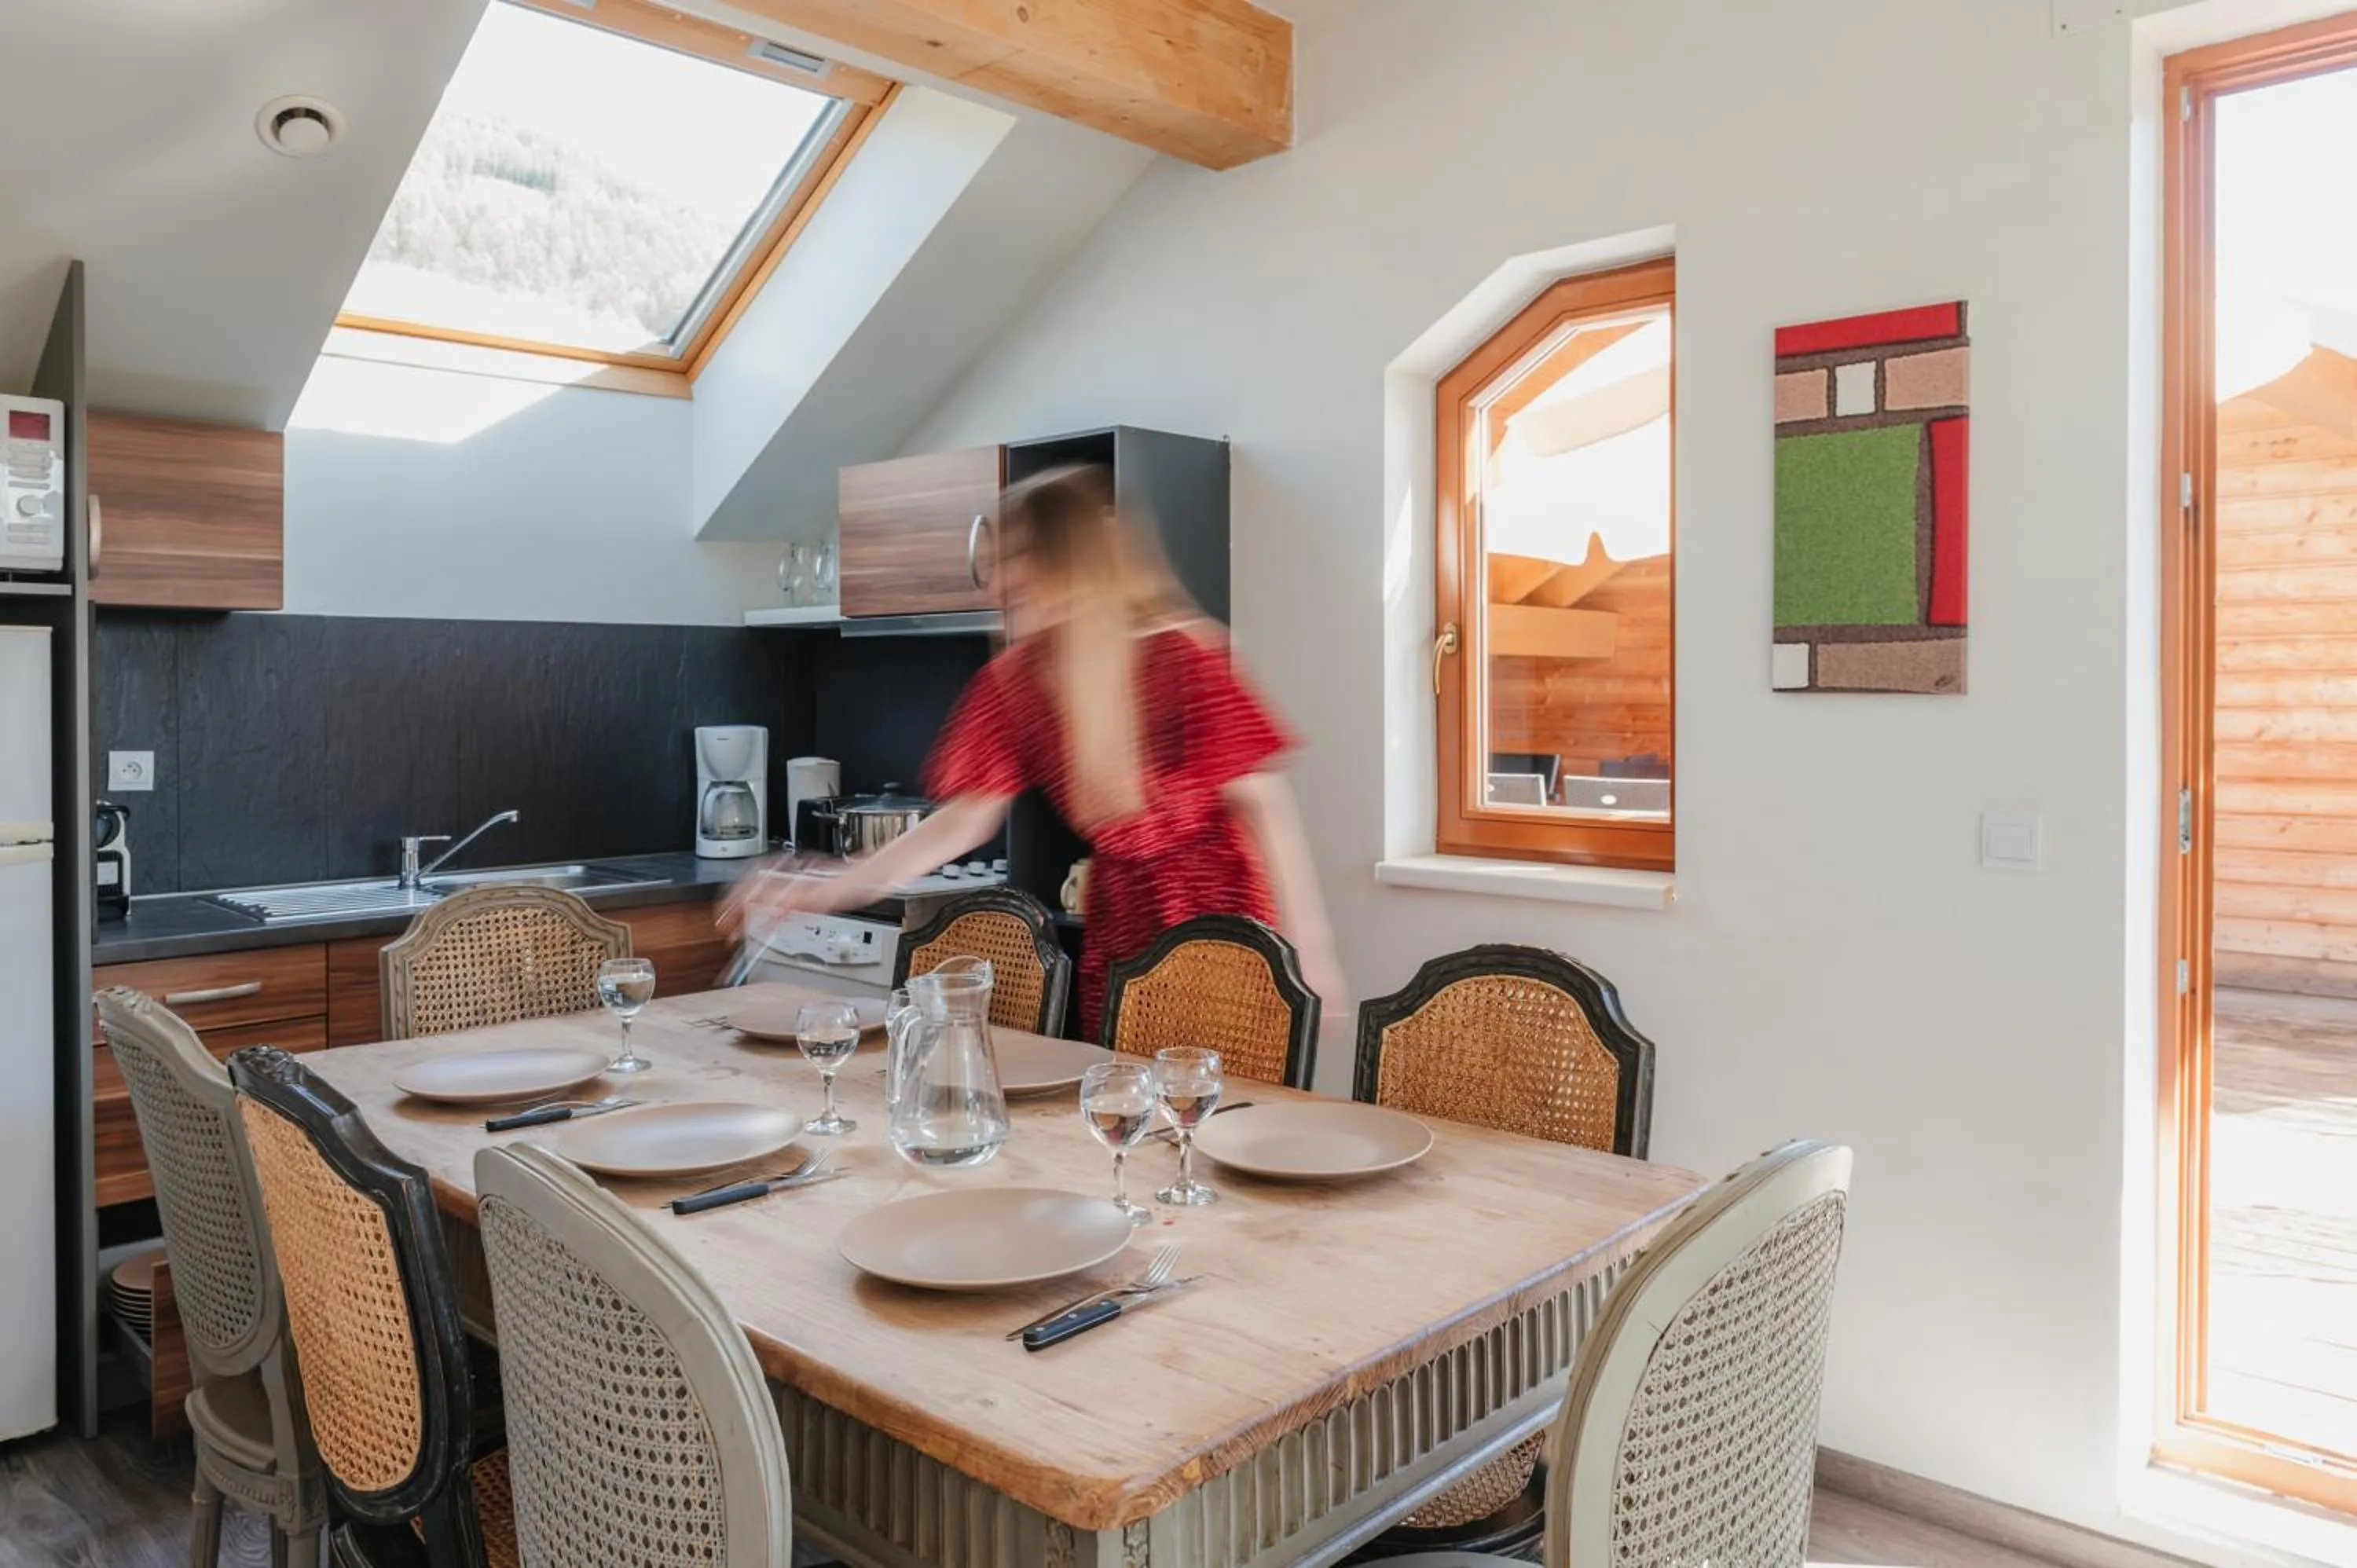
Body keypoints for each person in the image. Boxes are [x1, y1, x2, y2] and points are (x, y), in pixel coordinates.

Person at [723, 463, 1340, 1038]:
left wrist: (1311, 953)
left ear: (1066, 557)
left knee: (1222, 1114)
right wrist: (826, 887)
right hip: (1122, 920)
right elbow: (964, 821)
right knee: (1127, 1112)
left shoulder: (1183, 654)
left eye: (1016, 556)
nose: (1000, 577)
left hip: (1224, 923)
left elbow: (1264, 801)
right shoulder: (1014, 682)